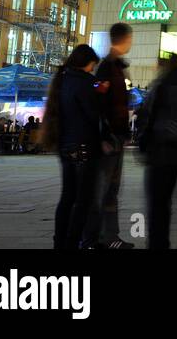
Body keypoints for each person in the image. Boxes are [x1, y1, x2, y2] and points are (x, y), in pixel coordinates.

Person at [42, 45, 105, 250]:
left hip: (65, 145)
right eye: (92, 66)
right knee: (82, 200)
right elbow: (93, 114)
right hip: (84, 146)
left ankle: (59, 242)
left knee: (67, 197)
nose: (92, 70)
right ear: (87, 63)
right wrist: (101, 93)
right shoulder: (85, 83)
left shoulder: (62, 81)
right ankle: (72, 242)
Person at [138, 55, 177, 249]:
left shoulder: (161, 89)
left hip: (158, 153)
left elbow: (146, 118)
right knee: (166, 203)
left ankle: (158, 243)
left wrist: (144, 143)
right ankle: (163, 242)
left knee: (156, 204)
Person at [88, 22, 134, 250]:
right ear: (124, 39)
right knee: (103, 190)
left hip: (116, 136)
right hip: (109, 139)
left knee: (111, 190)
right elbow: (99, 102)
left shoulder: (116, 66)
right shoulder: (107, 67)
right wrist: (104, 136)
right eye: (130, 38)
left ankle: (109, 236)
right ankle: (96, 238)